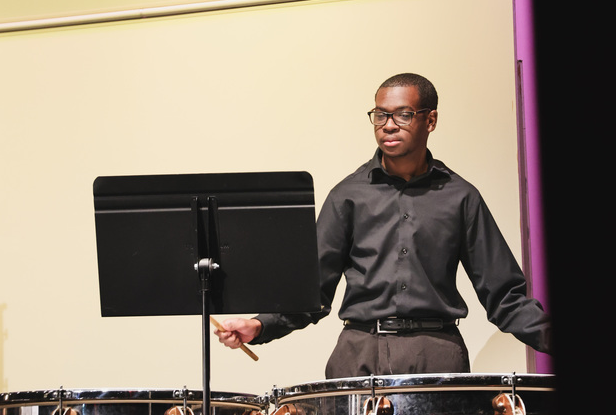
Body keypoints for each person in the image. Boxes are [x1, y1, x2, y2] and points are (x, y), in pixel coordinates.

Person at [215, 72, 551, 377]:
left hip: (436, 350)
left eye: (403, 115)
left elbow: (505, 296)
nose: (388, 125)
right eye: (380, 115)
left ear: (430, 120)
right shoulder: (348, 194)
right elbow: (311, 291)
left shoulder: (461, 197)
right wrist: (259, 324)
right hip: (358, 350)